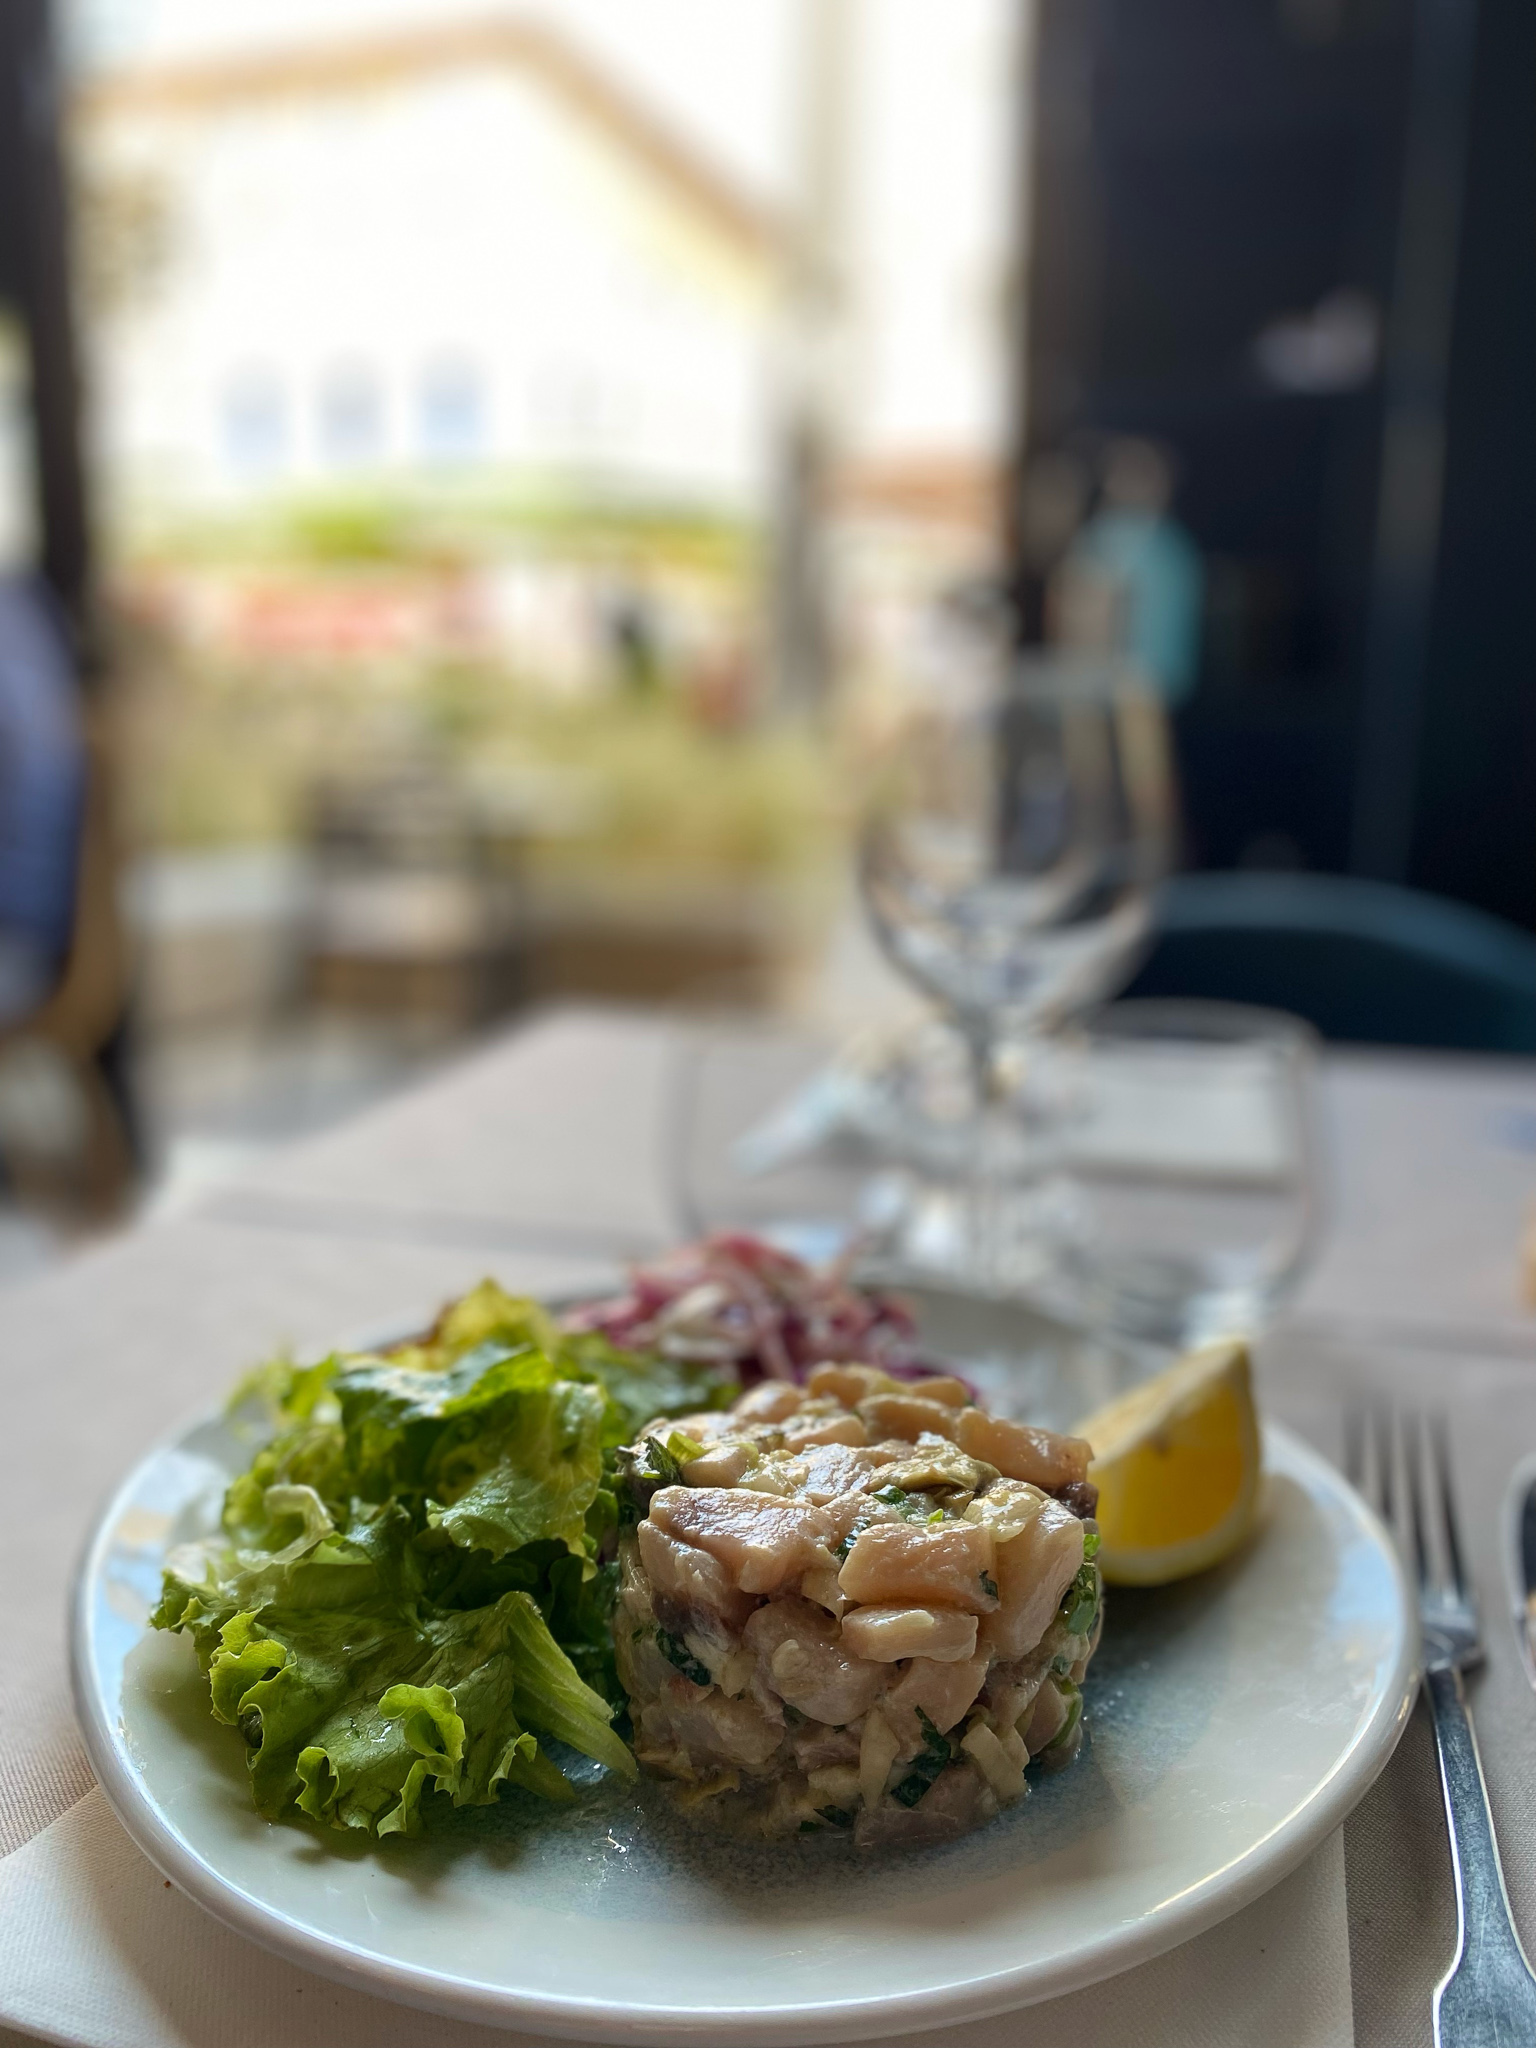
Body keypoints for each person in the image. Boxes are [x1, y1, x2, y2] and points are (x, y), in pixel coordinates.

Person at [1050, 438, 1204, 706]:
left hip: (1131, 688)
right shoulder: (1172, 543)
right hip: (1138, 690)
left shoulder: (1118, 539)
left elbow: (1087, 612)